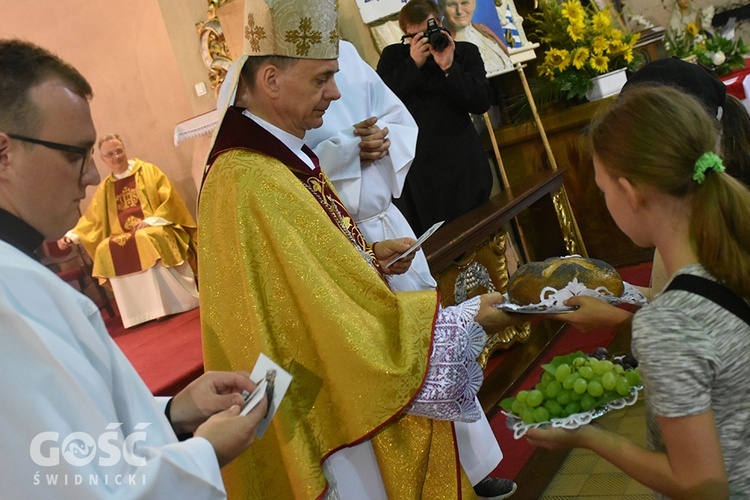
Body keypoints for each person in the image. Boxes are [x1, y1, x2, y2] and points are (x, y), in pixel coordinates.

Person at [198, 0, 522, 498]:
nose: (336, 92)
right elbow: (312, 318)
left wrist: (368, 258)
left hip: (340, 368)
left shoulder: (279, 152)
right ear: (270, 80)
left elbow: (308, 273)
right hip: (325, 393)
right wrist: (460, 321)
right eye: (321, 80)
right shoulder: (249, 181)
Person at [0, 38, 268, 498]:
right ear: (4, 153)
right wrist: (205, 455)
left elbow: (77, 430)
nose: (91, 176)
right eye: (74, 155)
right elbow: (69, 485)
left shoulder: (18, 271)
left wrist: (173, 413)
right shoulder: (11, 292)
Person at [306, 39, 516, 499]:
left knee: (430, 337)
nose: (332, 90)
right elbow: (290, 166)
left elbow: (400, 117)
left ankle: (474, 467)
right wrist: (347, 152)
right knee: (391, 355)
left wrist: (382, 141)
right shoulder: (269, 78)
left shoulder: (345, 51)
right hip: (338, 233)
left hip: (385, 219)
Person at [527, 85, 750, 498]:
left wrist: (588, 437)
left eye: (602, 188)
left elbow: (702, 487)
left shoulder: (667, 322)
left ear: (630, 192)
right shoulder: (736, 251)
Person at [549, 57, 750, 333]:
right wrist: (615, 293)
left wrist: (618, 322)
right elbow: (676, 300)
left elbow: (694, 330)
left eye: (605, 189)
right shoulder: (707, 203)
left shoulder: (707, 226)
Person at [377, 0, 495, 236]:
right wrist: (413, 65)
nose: (427, 41)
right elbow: (380, 103)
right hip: (421, 172)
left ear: (441, 24)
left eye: (429, 33)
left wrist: (449, 67)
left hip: (465, 165)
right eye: (416, 36)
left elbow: (481, 101)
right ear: (406, 35)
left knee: (483, 238)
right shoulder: (394, 57)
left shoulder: (465, 52)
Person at [58, 134, 199, 328]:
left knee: (143, 238)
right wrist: (71, 236)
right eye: (110, 154)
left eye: (119, 151)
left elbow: (170, 201)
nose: (116, 157)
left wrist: (151, 220)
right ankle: (140, 312)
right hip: (126, 234)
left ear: (124, 149)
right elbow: (92, 219)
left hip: (157, 227)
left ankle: (167, 304)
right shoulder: (106, 188)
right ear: (103, 159)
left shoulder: (148, 171)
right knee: (105, 248)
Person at [439, 0, 514, 77]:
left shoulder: (483, 30)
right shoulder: (443, 44)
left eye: (464, 3)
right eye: (451, 5)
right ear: (442, 8)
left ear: (474, 4)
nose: (459, 11)